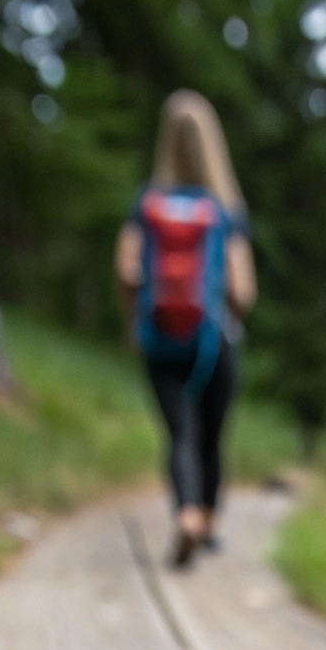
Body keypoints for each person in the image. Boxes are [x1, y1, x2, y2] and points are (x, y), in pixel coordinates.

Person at [115, 91, 257, 565]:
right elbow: (243, 289)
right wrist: (227, 315)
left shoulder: (148, 204)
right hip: (213, 340)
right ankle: (210, 520)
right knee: (212, 435)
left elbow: (127, 269)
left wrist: (132, 319)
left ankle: (186, 516)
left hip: (161, 338)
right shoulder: (224, 209)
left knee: (179, 434)